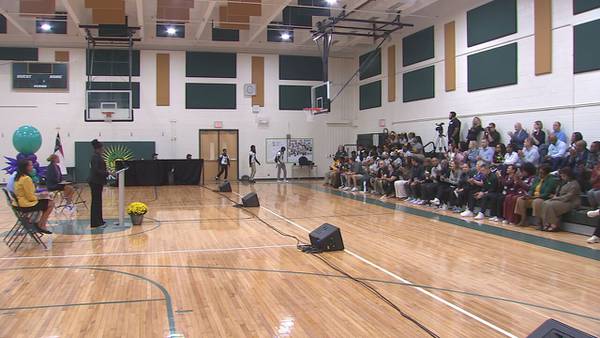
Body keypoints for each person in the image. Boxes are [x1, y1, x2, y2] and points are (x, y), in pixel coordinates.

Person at [13, 159, 54, 234]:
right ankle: (41, 224)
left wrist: (40, 196)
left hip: (18, 204)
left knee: (46, 201)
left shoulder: (18, 177)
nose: (33, 166)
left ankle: (38, 222)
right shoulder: (26, 178)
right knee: (51, 203)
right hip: (25, 205)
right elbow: (30, 197)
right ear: (26, 167)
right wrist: (41, 197)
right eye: (31, 165)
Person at [539, 167, 581, 232]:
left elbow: (568, 197)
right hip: (562, 200)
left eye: (564, 176)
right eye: (561, 176)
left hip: (571, 202)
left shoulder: (574, 184)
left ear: (569, 176)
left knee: (550, 205)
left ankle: (554, 225)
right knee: (545, 203)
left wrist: (556, 198)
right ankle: (546, 223)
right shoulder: (563, 183)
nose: (562, 177)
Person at [89, 139, 108, 228]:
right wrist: (108, 173)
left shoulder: (97, 156)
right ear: (98, 149)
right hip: (95, 181)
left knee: (98, 201)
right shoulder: (95, 157)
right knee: (96, 202)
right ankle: (96, 222)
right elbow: (96, 170)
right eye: (102, 148)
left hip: (97, 182)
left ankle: (99, 220)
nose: (103, 150)